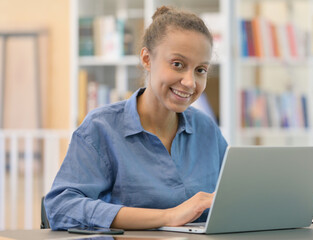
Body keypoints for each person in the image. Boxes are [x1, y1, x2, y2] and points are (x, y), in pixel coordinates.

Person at [45, 6, 228, 230]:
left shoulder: (206, 129)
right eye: (178, 65)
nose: (190, 82)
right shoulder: (101, 128)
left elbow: (234, 197)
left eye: (201, 70)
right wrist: (168, 216)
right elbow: (61, 206)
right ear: (147, 59)